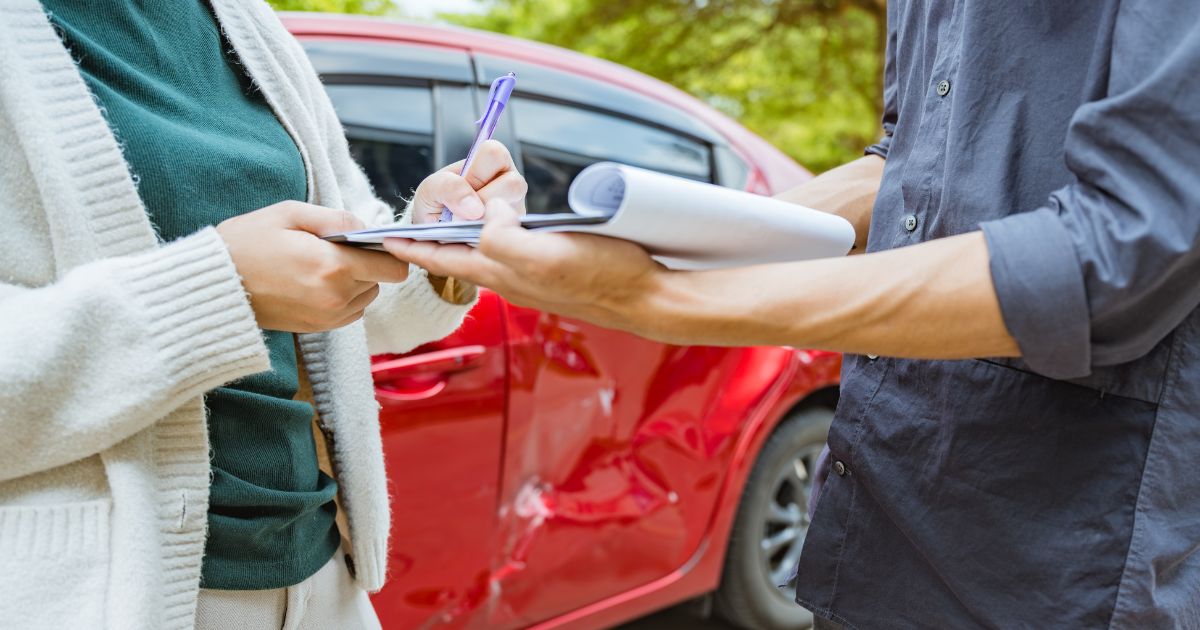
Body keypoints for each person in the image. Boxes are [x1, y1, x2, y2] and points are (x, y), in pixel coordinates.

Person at [385, 2, 1200, 628]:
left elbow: (1122, 246)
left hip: (1056, 561)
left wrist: (660, 299)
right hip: (878, 518)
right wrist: (673, 240)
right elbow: (909, 165)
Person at [0, 2, 524, 629]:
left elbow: (342, 292)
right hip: (90, 598)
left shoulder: (244, 19)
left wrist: (429, 244)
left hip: (320, 576)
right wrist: (219, 291)